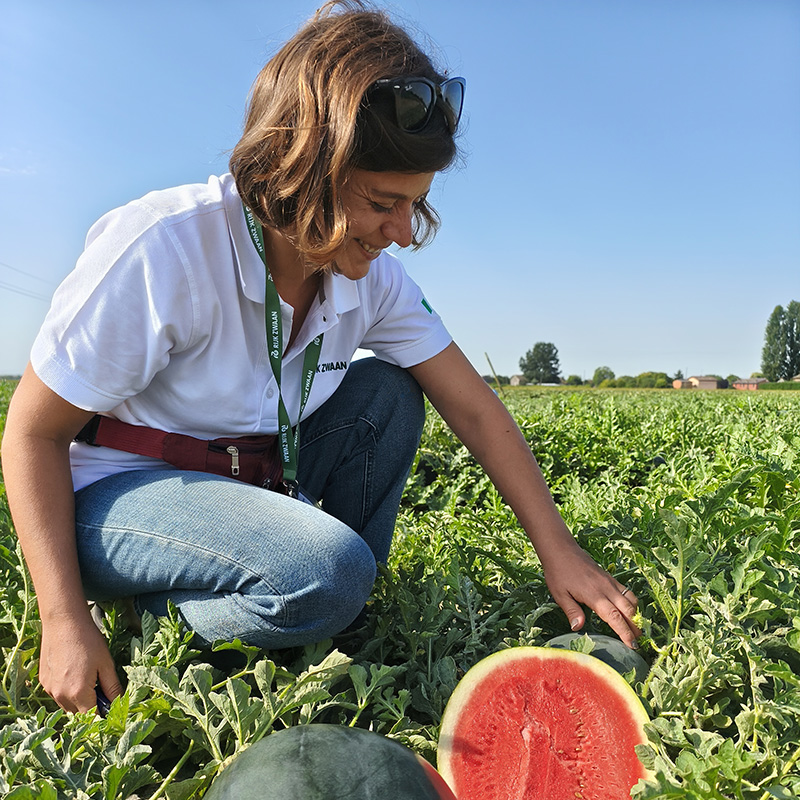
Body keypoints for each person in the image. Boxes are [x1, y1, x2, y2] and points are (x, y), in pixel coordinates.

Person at [1, 1, 640, 715]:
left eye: (415, 204)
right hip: (115, 498)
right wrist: (62, 617)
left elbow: (475, 409)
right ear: (299, 169)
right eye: (383, 202)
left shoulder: (373, 280)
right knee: (325, 572)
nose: (402, 232)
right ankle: (163, 613)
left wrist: (559, 549)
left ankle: (325, 602)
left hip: (247, 482)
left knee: (389, 394)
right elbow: (31, 434)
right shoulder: (165, 248)